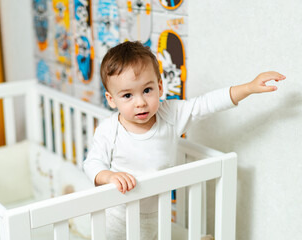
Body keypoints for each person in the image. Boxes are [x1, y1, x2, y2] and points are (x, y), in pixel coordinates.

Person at [83, 41, 285, 239]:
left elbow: (205, 104)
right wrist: (108, 176)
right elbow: (92, 163)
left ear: (160, 87)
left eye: (147, 90)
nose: (141, 102)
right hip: (117, 216)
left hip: (157, 213)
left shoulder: (170, 115)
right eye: (127, 95)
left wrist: (248, 87)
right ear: (111, 99)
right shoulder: (108, 129)